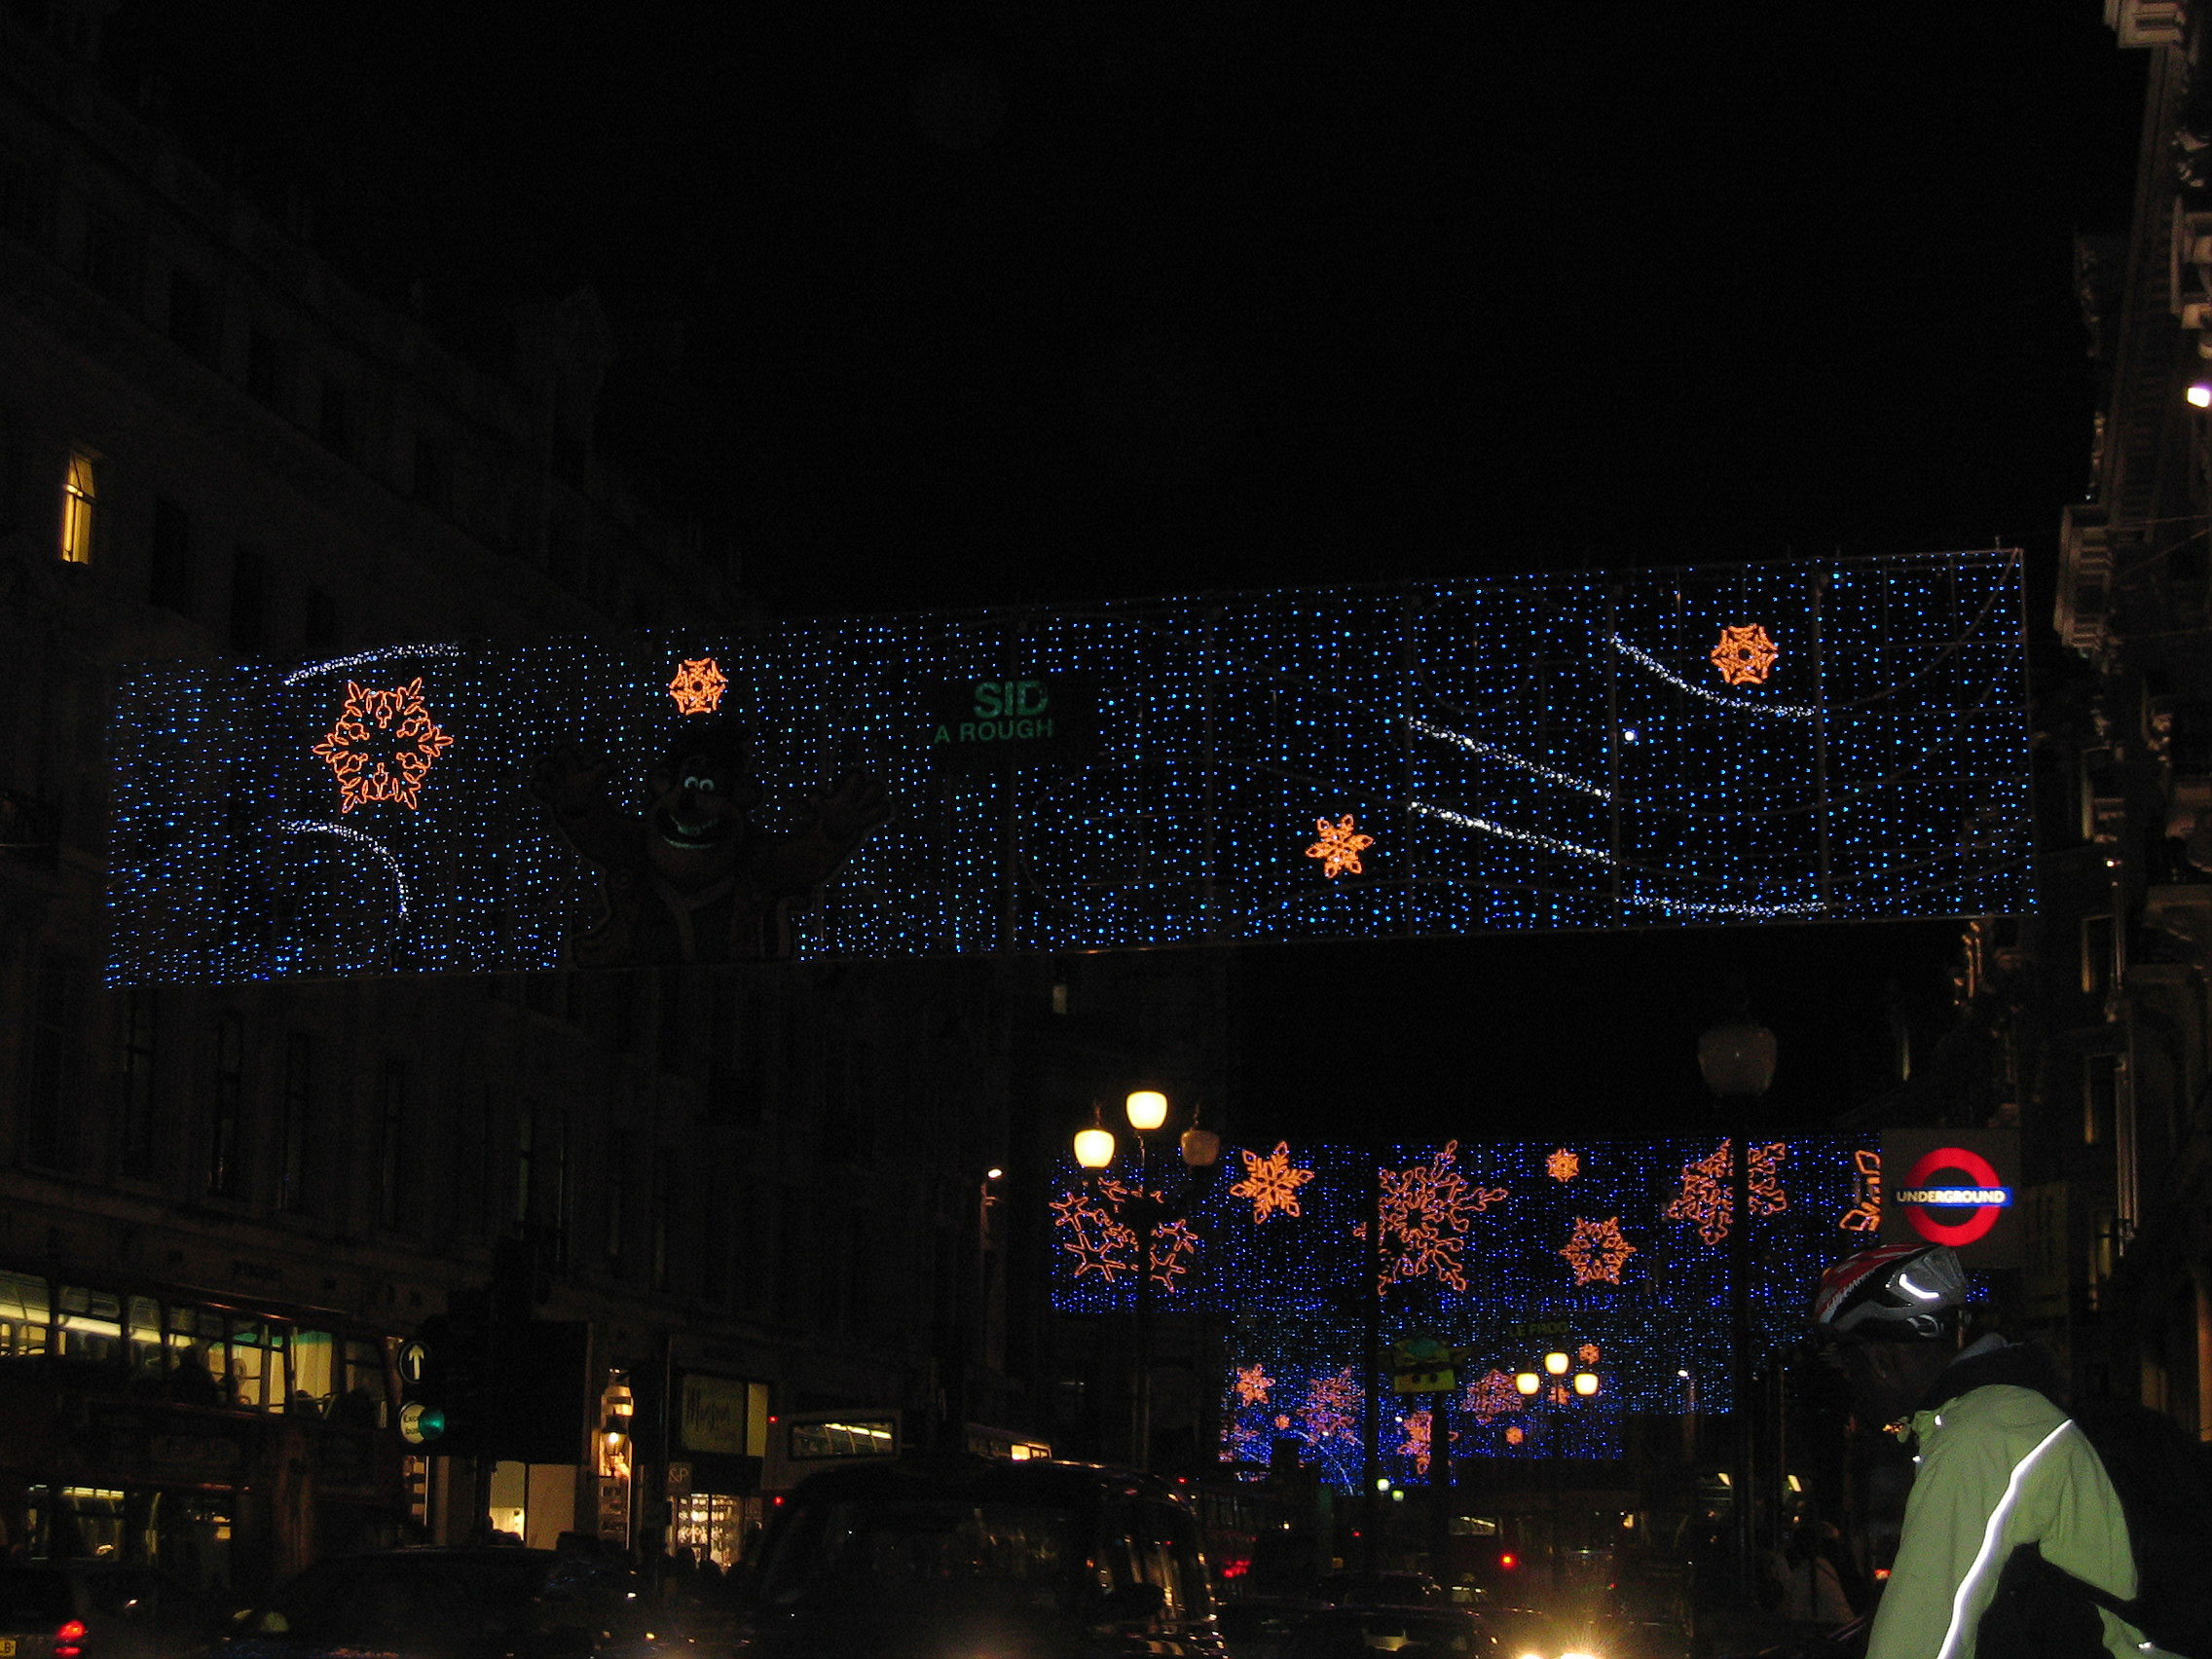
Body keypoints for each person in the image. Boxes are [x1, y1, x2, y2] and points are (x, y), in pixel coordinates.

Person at [1809, 1241, 2174, 1659]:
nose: (1850, 1386)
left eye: (1845, 1366)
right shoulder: (2011, 1413)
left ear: (1880, 1360)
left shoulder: (1977, 1437)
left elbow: (1922, 1636)